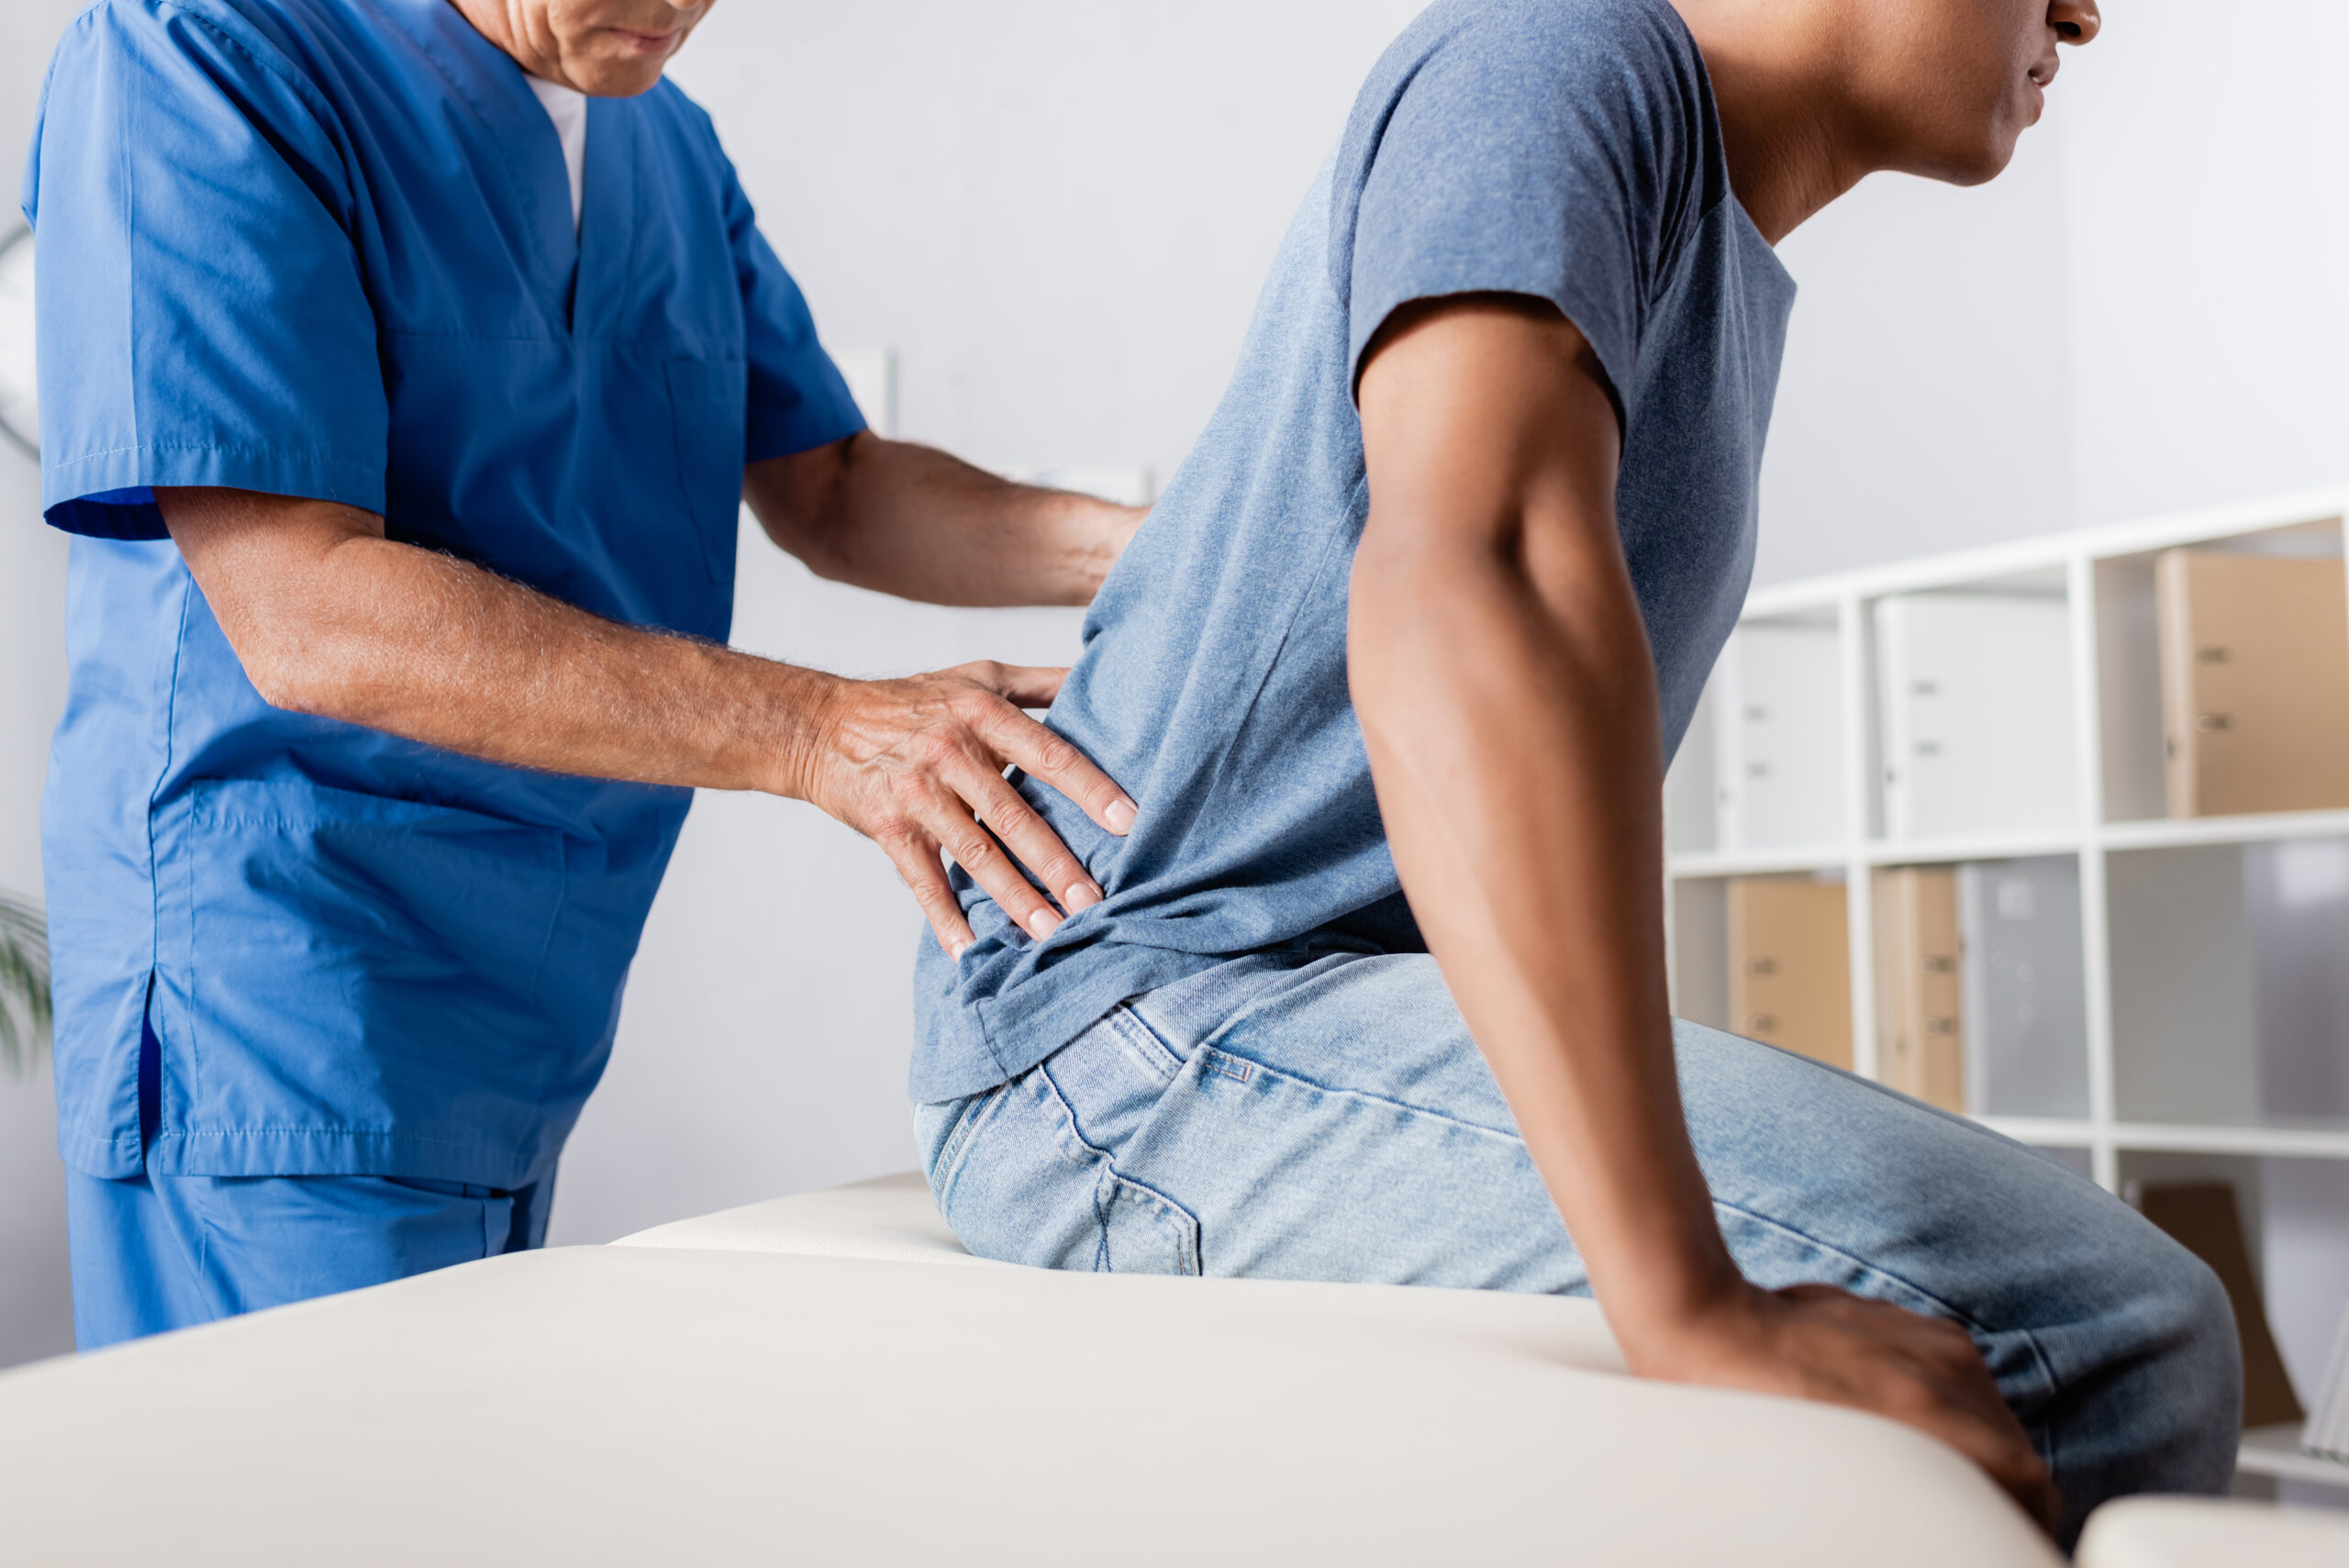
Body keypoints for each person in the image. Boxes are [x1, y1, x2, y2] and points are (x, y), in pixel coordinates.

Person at [910, 0, 2240, 1545]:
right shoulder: (1554, 60)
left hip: (1270, 1002)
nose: (2085, 10)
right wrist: (1687, 1299)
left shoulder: (1694, 220)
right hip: (1133, 1034)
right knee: (2113, 1335)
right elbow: (1478, 580)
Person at [28, 0, 1140, 1349]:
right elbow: (304, 604)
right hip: (276, 1009)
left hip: (523, 1020)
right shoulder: (202, 60)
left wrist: (1196, 546)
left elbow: (835, 487)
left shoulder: (662, 147)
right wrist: (825, 734)